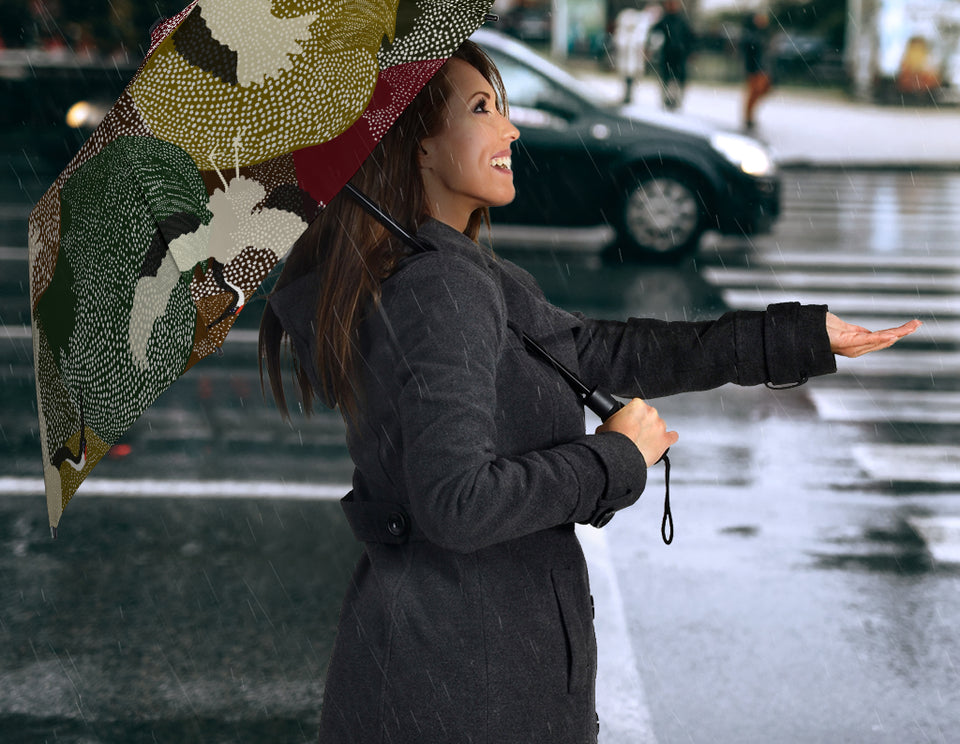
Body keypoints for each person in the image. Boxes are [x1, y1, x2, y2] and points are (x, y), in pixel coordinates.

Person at [258, 40, 919, 744]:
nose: (511, 129)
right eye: (483, 109)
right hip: (467, 687)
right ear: (417, 146)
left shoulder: (448, 272)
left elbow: (603, 351)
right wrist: (614, 457)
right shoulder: (440, 288)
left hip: (453, 667)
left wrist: (796, 338)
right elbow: (456, 504)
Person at [648, 0, 695, 111]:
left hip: (679, 55)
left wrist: (690, 51)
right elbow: (654, 33)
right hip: (668, 54)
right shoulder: (665, 20)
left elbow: (690, 37)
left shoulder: (681, 21)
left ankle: (675, 100)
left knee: (677, 79)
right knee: (667, 78)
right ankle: (667, 99)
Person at [741, 10, 773, 131]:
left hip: (763, 67)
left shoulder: (763, 33)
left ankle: (750, 115)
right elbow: (750, 49)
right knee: (754, 92)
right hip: (755, 68)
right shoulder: (751, 34)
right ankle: (748, 117)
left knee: (762, 90)